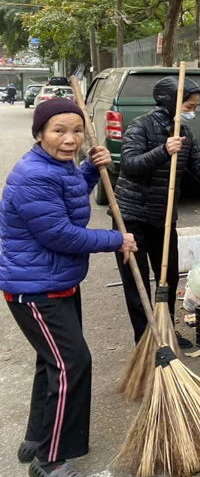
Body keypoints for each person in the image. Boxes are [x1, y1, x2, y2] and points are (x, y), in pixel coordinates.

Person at [0, 98, 137, 477]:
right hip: (35, 290)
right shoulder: (34, 175)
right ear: (40, 133)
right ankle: (50, 460)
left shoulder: (58, 167)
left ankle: (36, 438)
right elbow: (60, 235)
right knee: (72, 364)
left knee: (54, 362)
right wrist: (116, 239)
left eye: (77, 130)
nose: (69, 139)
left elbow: (74, 191)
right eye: (58, 130)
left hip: (57, 283)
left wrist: (92, 169)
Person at [113, 76, 200, 347]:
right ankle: (145, 340)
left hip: (163, 220)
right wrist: (163, 151)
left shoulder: (185, 134)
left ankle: (167, 332)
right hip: (131, 218)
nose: (193, 111)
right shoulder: (141, 126)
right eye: (189, 105)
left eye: (195, 106)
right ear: (171, 103)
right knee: (138, 284)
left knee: (166, 279)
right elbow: (129, 165)